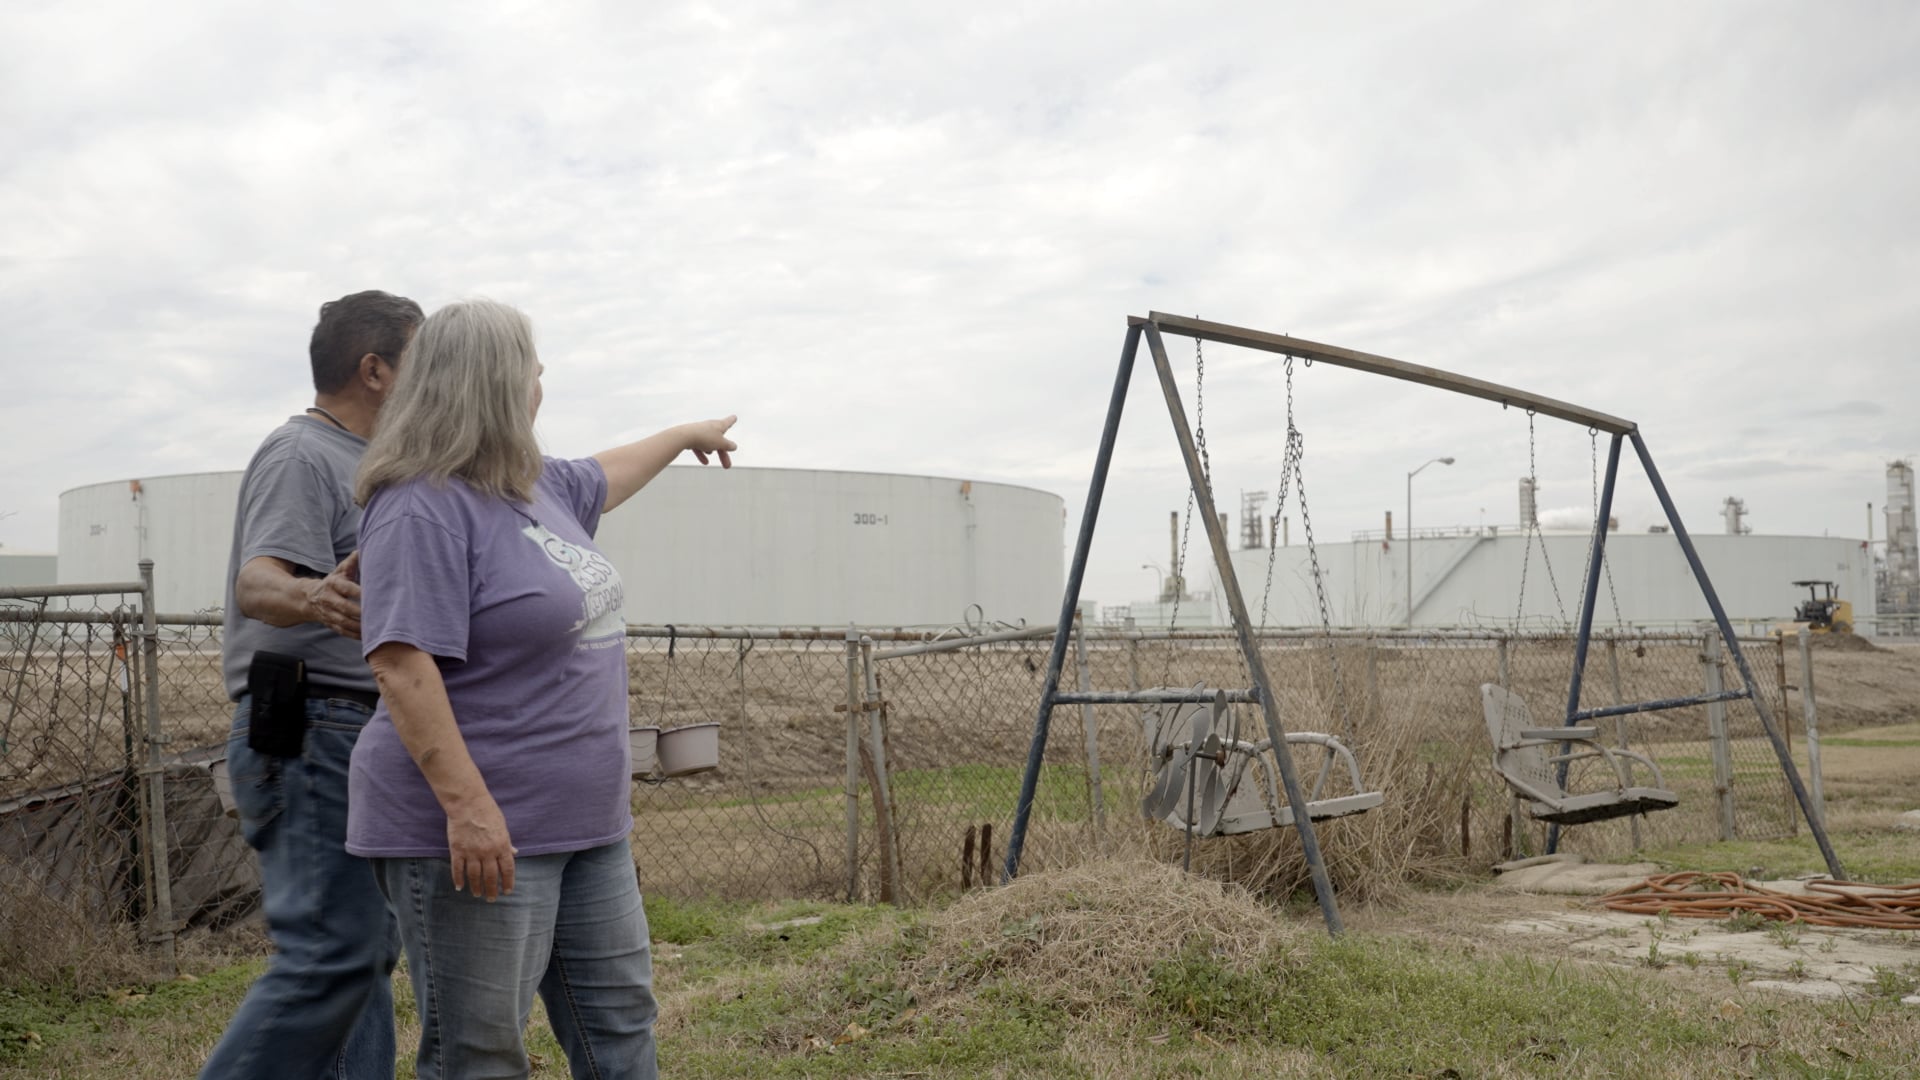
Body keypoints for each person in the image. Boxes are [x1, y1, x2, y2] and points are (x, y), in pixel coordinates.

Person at [347, 298, 737, 1079]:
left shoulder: (534, 488)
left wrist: (684, 435)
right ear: (493, 383)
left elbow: (611, 471)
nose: (541, 384)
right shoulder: (419, 507)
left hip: (587, 825)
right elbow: (401, 663)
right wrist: (469, 808)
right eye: (533, 368)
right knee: (481, 1054)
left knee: (620, 1027)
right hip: (480, 832)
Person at [204, 290, 423, 1080]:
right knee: (334, 954)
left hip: (355, 731)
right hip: (312, 728)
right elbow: (258, 581)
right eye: (421, 362)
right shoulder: (303, 455)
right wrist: (314, 596)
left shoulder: (372, 466)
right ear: (375, 371)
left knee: (361, 962)